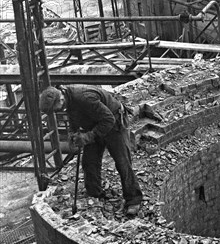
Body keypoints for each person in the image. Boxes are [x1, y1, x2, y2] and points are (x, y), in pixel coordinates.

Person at [39, 85, 144, 216]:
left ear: (60, 99)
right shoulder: (67, 99)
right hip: (94, 124)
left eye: (55, 109)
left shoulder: (84, 98)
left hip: (114, 123)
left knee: (123, 162)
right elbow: (73, 117)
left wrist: (88, 136)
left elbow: (108, 119)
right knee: (89, 162)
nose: (55, 112)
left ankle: (134, 199)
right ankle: (95, 193)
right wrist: (73, 133)